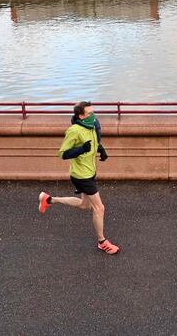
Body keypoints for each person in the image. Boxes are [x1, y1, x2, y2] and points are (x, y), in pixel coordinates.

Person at [38, 101, 119, 255]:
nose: (93, 116)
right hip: (81, 175)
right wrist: (81, 149)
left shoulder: (92, 125)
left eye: (93, 112)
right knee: (99, 208)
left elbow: (95, 142)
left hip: (90, 171)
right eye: (89, 114)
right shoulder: (74, 131)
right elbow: (62, 153)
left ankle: (48, 200)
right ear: (81, 116)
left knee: (84, 205)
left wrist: (101, 150)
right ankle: (102, 242)